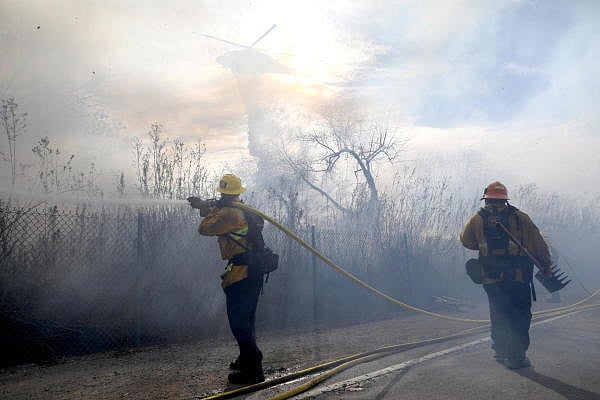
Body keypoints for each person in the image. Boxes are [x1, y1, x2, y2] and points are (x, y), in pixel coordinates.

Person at [460, 181, 553, 369]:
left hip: (491, 279)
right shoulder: (520, 218)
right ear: (505, 200)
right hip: (518, 278)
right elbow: (538, 244)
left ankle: (500, 350)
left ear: (486, 199)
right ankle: (516, 357)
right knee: (519, 315)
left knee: (499, 313)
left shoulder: (477, 219)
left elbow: (467, 241)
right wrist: (546, 265)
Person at [188, 174, 265, 385]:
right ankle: (246, 357)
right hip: (250, 271)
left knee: (238, 321)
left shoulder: (230, 213)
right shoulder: (241, 209)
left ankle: (254, 369)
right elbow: (218, 217)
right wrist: (207, 207)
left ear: (223, 193)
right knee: (246, 319)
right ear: (239, 192)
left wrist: (206, 209)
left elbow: (205, 229)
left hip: (242, 273)